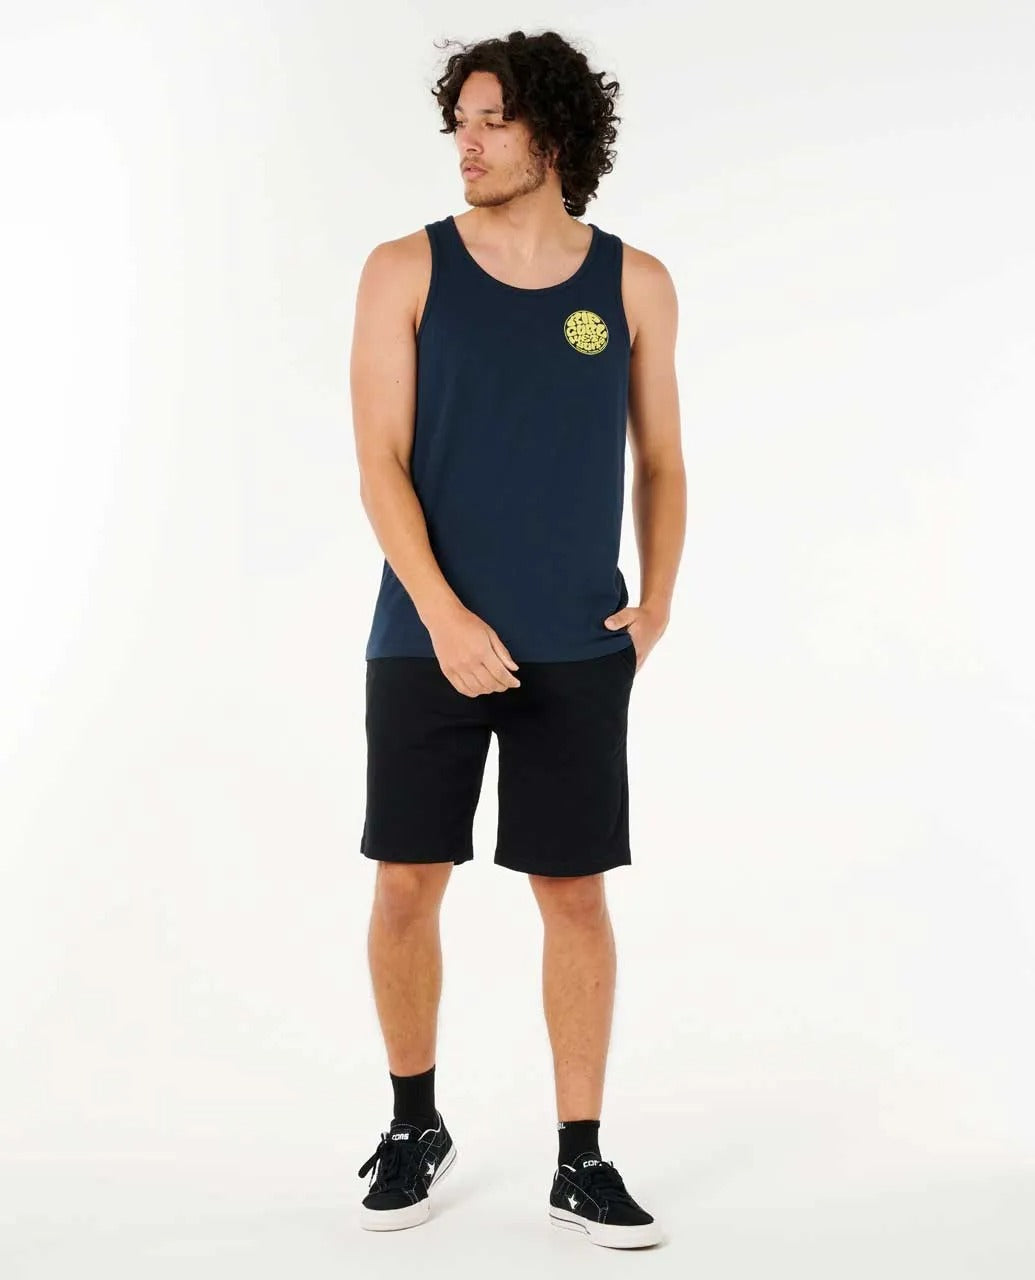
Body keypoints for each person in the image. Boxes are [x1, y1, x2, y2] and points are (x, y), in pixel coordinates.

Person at [350, 29, 685, 1249]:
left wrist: (658, 602)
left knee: (573, 894)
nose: (469, 143)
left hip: (578, 646)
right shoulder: (404, 269)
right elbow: (379, 463)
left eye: (494, 121)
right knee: (407, 881)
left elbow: (663, 459)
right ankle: (413, 1123)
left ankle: (580, 1157)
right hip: (423, 638)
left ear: (554, 133)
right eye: (461, 123)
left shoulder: (634, 283)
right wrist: (444, 615)